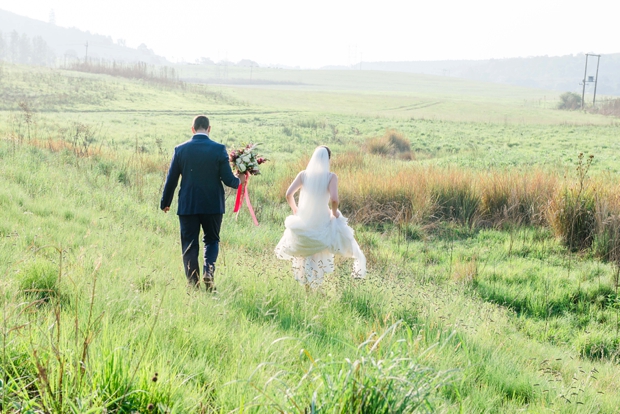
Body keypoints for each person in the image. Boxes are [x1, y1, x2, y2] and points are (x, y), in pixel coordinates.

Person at [161, 115, 246, 291]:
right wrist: (241, 180)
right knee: (212, 240)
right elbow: (228, 179)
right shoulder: (218, 149)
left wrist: (166, 202)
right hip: (212, 205)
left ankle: (193, 283)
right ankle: (209, 271)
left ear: (192, 129)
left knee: (189, 243)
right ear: (209, 129)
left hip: (188, 205)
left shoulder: (180, 150)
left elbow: (171, 180)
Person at [275, 146, 366, 290]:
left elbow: (288, 194)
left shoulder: (303, 175)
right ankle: (315, 286)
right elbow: (334, 199)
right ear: (328, 159)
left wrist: (295, 209)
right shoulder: (331, 177)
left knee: (306, 253)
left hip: (304, 219)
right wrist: (334, 213)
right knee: (318, 252)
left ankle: (307, 288)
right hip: (322, 219)